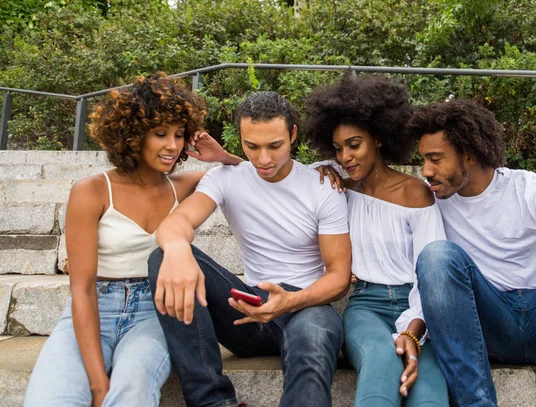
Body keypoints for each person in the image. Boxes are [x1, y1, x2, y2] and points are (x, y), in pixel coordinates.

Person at [24, 72, 242, 407]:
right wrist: (98, 385)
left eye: (179, 135)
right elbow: (81, 290)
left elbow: (254, 176)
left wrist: (223, 156)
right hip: (96, 304)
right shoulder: (92, 190)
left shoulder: (183, 185)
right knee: (51, 400)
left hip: (153, 311)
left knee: (133, 392)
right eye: (160, 134)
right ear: (133, 134)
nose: (173, 145)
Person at [147, 91, 352, 407]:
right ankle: (214, 402)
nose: (264, 159)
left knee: (313, 343)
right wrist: (176, 250)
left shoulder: (323, 184)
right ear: (239, 139)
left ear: (292, 134)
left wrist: (290, 302)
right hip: (248, 310)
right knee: (163, 256)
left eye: (275, 146)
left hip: (305, 305)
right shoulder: (226, 178)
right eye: (252, 147)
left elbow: (339, 277)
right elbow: (177, 222)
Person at [407, 99, 536, 407]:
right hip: (489, 325)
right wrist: (330, 177)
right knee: (437, 257)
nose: (426, 171)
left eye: (435, 159)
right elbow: (376, 187)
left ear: (468, 155)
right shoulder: (428, 201)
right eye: (423, 160)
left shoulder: (532, 189)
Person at [305, 73, 449, 406]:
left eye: (354, 145)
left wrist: (414, 330)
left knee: (428, 388)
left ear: (379, 139)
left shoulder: (414, 192)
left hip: (419, 307)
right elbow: (277, 172)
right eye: (338, 149)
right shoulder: (339, 190)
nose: (345, 157)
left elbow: (432, 274)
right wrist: (322, 165)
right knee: (381, 361)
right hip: (365, 307)